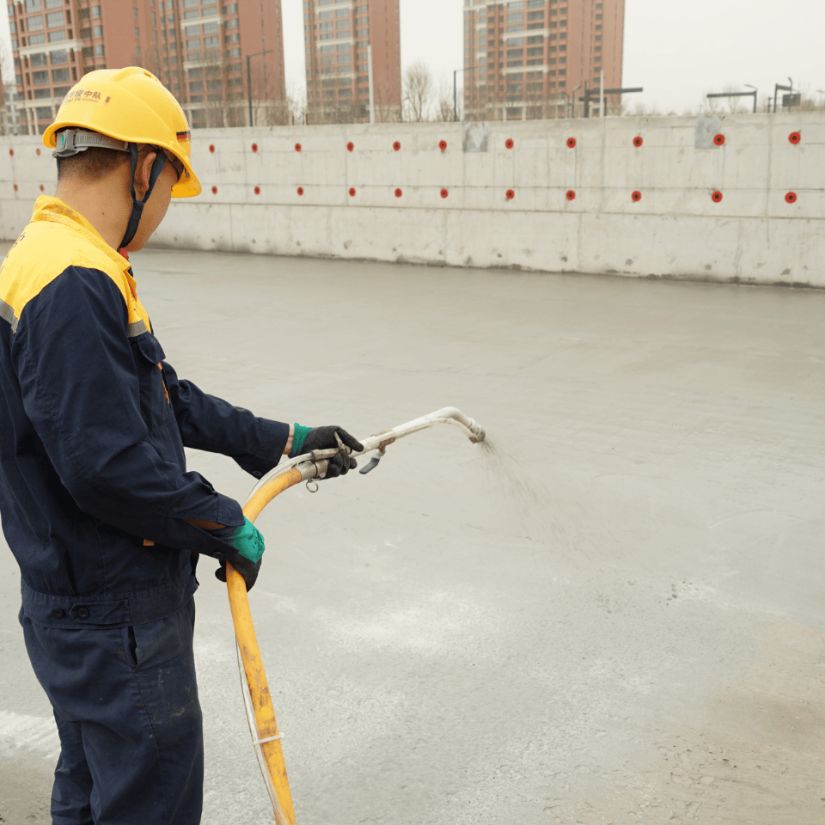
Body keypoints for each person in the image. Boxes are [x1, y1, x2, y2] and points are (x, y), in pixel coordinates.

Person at [0, 66, 362, 825]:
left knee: (91, 786)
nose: (166, 206)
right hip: (114, 616)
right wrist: (219, 522)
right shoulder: (72, 282)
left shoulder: (54, 259)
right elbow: (104, 466)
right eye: (169, 182)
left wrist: (280, 439)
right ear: (143, 166)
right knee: (147, 804)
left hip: (76, 606)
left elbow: (159, 397)